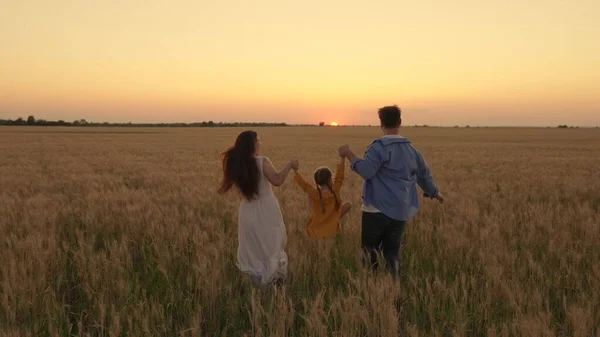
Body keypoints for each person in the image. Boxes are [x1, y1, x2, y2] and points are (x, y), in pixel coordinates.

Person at [338, 105, 444, 280]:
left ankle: (372, 291)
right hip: (400, 211)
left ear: (381, 123)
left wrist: (348, 154)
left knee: (369, 253)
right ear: (400, 122)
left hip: (375, 210)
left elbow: (366, 171)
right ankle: (393, 292)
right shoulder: (412, 150)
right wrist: (434, 192)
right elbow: (423, 175)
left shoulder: (378, 147)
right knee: (392, 253)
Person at [218, 130, 297, 286]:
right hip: (267, 209)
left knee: (252, 247)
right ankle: (271, 281)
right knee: (271, 244)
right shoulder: (262, 161)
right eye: (258, 140)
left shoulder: (237, 164)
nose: (260, 142)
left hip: (247, 210)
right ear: (252, 144)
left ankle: (255, 282)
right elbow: (277, 180)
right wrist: (290, 165)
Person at [291, 156, 352, 238]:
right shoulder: (335, 189)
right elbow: (339, 177)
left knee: (310, 197)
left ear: (316, 181)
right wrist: (342, 158)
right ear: (330, 179)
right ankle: (334, 218)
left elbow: (304, 185)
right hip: (331, 230)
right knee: (348, 204)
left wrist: (295, 170)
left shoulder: (314, 193)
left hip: (314, 232)